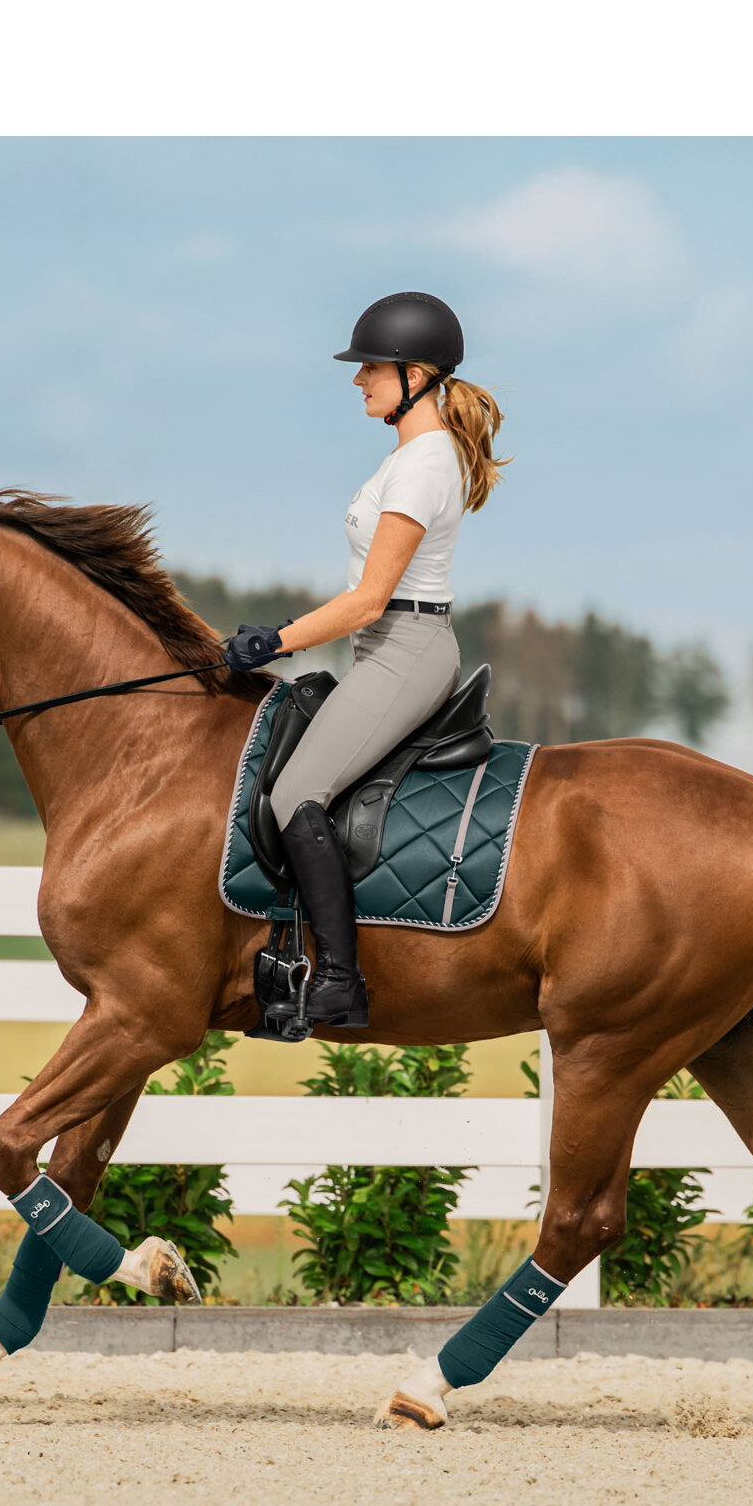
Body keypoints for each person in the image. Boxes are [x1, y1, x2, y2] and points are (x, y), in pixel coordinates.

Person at [224, 290, 509, 1026]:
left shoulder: (423, 465)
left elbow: (369, 599)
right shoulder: (410, 455)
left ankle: (341, 983)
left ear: (416, 373)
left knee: (295, 795)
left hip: (403, 651)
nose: (359, 380)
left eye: (372, 367)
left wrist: (276, 641)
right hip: (386, 649)